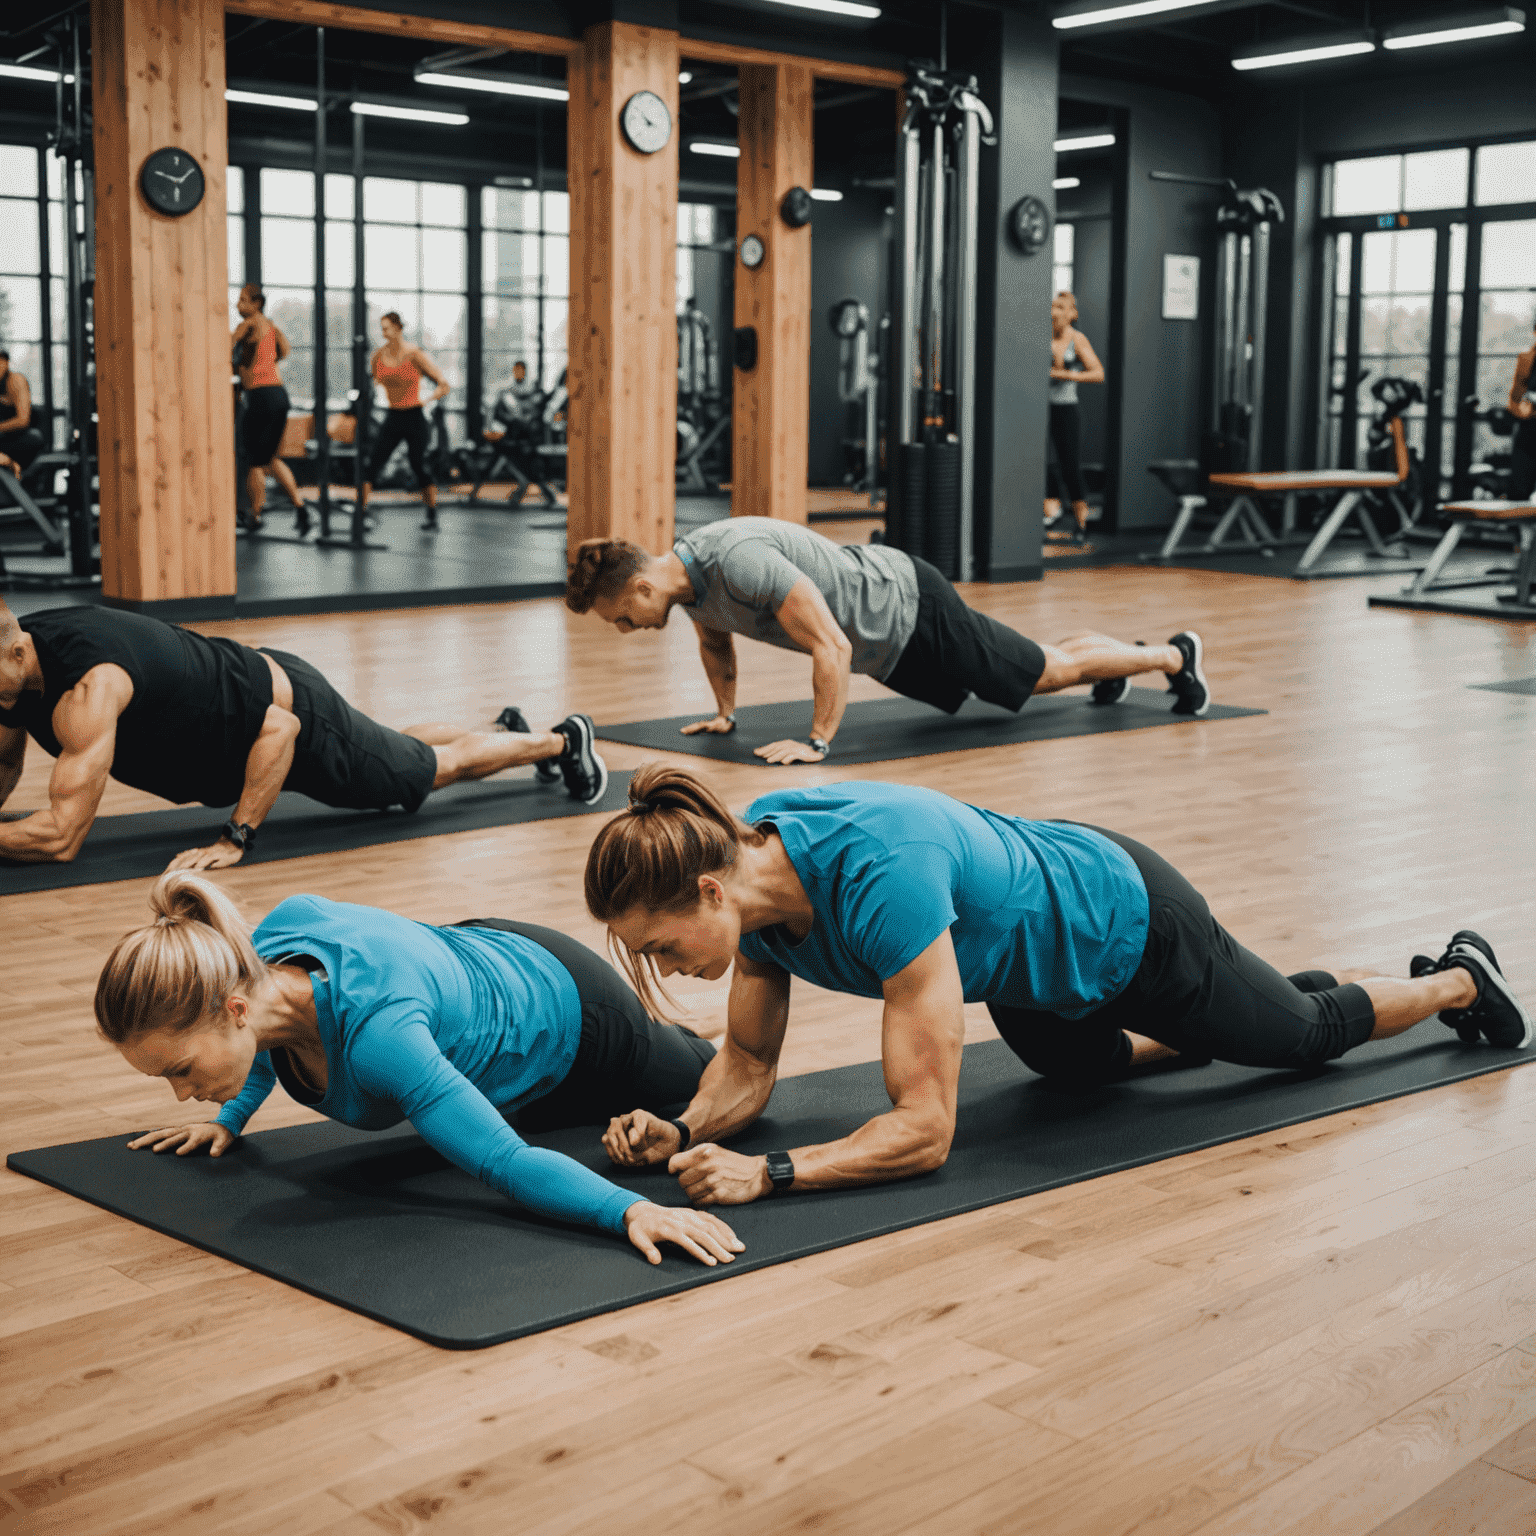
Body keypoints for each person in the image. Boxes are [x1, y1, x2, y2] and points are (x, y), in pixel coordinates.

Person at [587, 767, 1531, 1207]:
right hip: (1031, 981)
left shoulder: (882, 879)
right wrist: (686, 1129)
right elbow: (748, 1059)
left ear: (708, 891)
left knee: (1303, 1039)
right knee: (1072, 1074)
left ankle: (1454, 978)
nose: (667, 969)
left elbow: (925, 1134)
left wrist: (772, 1172)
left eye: (663, 947)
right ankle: (1245, 1005)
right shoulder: (751, 886)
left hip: (1128, 925)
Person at [99, 873, 742, 1269]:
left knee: (703, 1073)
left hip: (578, 1012)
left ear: (234, 1010)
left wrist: (631, 1212)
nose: (184, 1094)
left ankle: (691, 1028)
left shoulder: (384, 1036)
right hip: (478, 959)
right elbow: (268, 1033)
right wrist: (230, 1116)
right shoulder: (247, 962)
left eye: (181, 1070)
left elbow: (505, 1164)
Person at [0, 601, 609, 868]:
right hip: (262, 687)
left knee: (423, 770)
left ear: (18, 647)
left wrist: (237, 836)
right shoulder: (19, 668)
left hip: (293, 720)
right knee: (391, 745)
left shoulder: (92, 686)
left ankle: (559, 741)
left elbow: (62, 839)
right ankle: (497, 732)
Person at [565, 517, 1210, 765]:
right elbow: (716, 643)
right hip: (890, 646)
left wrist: (818, 741)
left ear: (642, 588)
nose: (625, 631)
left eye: (621, 616)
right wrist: (725, 712)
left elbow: (832, 647)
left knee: (1044, 674)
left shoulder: (735, 560)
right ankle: (1112, 662)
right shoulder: (691, 586)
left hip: (909, 610)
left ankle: (1173, 655)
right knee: (1042, 661)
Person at [360, 312, 450, 532]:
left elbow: (443, 384)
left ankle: (431, 514)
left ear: (399, 328)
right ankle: (360, 514)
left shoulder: (414, 354)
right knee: (373, 464)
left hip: (415, 416)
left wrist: (427, 401)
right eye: (382, 328)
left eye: (387, 328)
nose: (383, 332)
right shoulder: (378, 357)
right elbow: (370, 387)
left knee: (418, 465)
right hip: (393, 415)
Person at [231, 285, 309, 537]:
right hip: (278, 394)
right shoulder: (272, 328)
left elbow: (224, 350)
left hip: (261, 396)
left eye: (243, 300)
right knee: (269, 458)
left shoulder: (249, 324)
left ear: (257, 303)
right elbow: (284, 352)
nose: (237, 305)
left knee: (255, 461)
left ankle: (255, 515)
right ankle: (300, 508)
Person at [1045, 291, 1105, 542]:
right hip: (1042, 409)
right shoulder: (1043, 337)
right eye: (1054, 306)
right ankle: (1052, 512)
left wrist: (1068, 376)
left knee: (1070, 465)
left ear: (1073, 313)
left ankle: (1082, 521)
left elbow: (1098, 373)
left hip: (1066, 408)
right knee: (1044, 463)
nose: (1056, 311)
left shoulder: (1077, 339)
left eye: (1062, 307)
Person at [0, 349, 46, 474]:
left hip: (24, 436)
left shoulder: (16, 381)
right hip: (5, 438)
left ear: (6, 363)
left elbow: (22, 421)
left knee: (34, 439)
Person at [1507, 317, 1535, 502]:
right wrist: (1523, 410)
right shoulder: (1526, 359)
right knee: (1519, 489)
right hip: (1528, 429)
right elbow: (1513, 400)